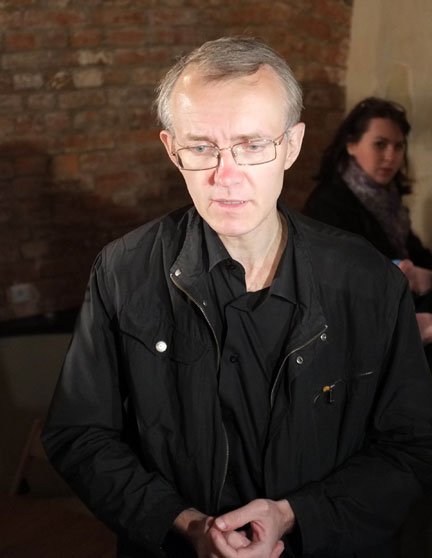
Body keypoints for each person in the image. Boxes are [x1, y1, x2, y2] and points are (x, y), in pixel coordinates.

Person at [42, 37, 432, 558]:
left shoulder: (367, 281)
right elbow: (81, 434)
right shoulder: (122, 271)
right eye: (202, 147)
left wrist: (294, 516)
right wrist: (185, 525)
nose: (226, 177)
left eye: (252, 145)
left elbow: (411, 445)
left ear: (292, 145)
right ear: (171, 150)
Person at [303, 97, 432, 269]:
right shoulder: (327, 205)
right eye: (380, 144)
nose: (391, 157)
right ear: (351, 145)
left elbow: (415, 254)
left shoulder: (390, 200)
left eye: (398, 146)